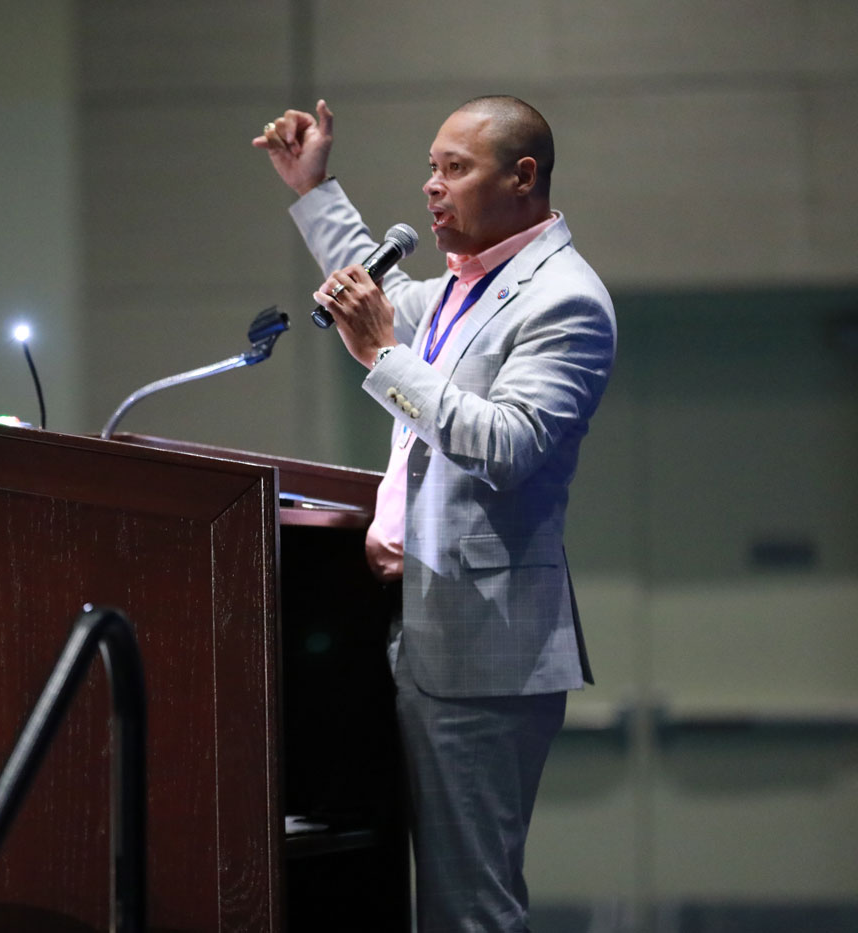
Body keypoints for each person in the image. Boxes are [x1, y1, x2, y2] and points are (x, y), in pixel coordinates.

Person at [255, 97, 615, 931]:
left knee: (470, 904)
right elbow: (370, 287)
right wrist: (314, 188)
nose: (430, 187)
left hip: (484, 651)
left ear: (522, 177)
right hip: (412, 623)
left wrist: (384, 356)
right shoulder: (468, 285)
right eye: (431, 167)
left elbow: (510, 444)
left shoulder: (565, 300)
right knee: (402, 890)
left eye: (455, 168)